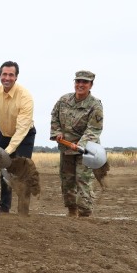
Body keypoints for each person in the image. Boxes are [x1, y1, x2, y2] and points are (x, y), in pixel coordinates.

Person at [0, 61, 36, 213]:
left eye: (11, 75)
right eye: (4, 74)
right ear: (0, 76)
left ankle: (23, 208)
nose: (7, 78)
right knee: (4, 169)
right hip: (4, 134)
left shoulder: (25, 97)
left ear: (16, 77)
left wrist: (8, 151)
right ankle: (4, 206)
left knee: (22, 170)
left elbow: (22, 128)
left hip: (24, 136)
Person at [50, 70, 104, 217]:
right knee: (67, 180)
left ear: (91, 85)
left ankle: (85, 214)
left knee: (82, 180)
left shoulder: (95, 105)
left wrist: (80, 144)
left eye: (84, 82)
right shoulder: (64, 100)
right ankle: (71, 211)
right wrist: (57, 132)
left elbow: (94, 129)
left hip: (85, 151)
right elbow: (54, 117)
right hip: (66, 148)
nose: (80, 85)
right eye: (78, 81)